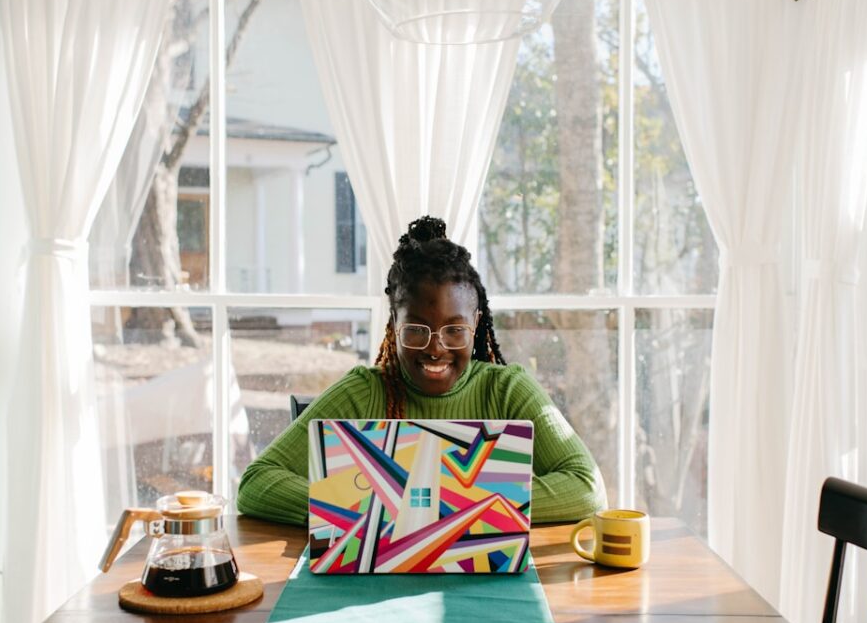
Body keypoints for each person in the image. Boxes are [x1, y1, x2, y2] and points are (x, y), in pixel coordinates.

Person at [237, 216, 607, 525]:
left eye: (454, 330)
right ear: (393, 324)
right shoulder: (364, 392)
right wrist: (363, 510)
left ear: (475, 325)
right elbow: (256, 483)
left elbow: (587, 487)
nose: (435, 347)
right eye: (416, 329)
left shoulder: (506, 390)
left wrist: (438, 509)